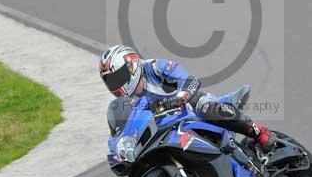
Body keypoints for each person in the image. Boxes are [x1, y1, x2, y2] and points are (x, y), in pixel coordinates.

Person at [99, 44, 276, 151]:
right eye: (111, 81)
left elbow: (189, 80)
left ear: (131, 66)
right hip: (168, 130)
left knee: (205, 106)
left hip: (190, 107)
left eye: (117, 77)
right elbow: (127, 129)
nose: (116, 84)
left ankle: (259, 132)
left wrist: (181, 97)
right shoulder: (130, 104)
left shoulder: (155, 67)